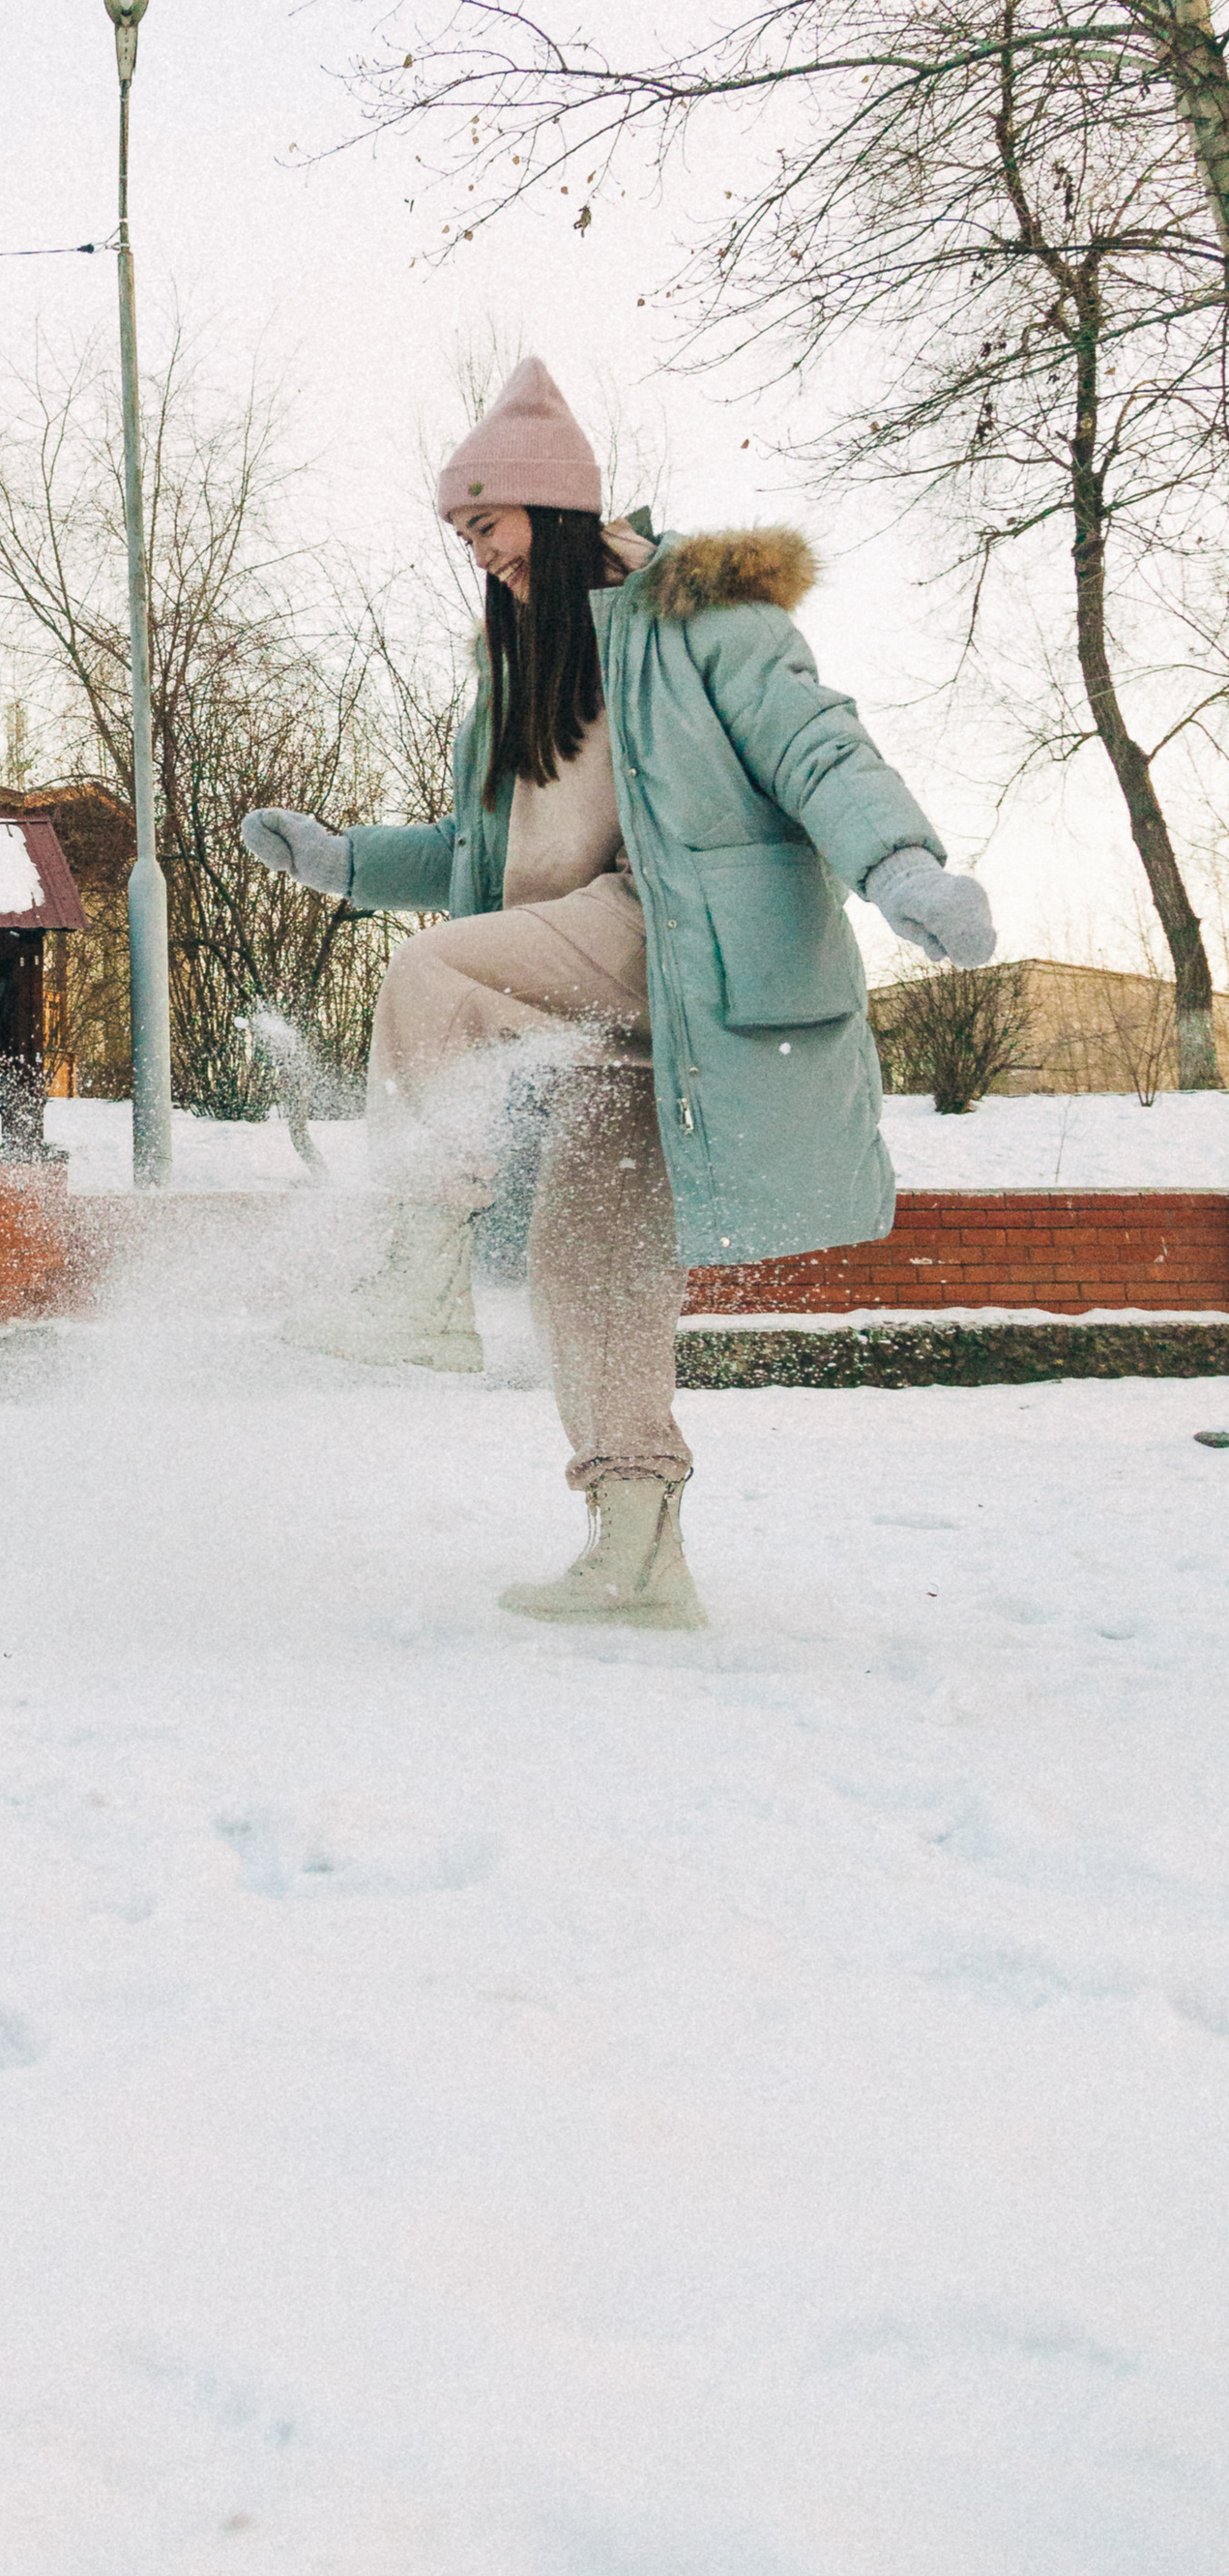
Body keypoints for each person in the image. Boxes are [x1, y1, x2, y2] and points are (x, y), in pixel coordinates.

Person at [244, 357, 992, 1629]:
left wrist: (899, 862)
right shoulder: (525, 681)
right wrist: (345, 860)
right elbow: (477, 862)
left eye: (486, 523)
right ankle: (636, 1547)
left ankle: (416, 1272)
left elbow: (814, 739)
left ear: (553, 505)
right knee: (587, 1269)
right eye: (462, 534)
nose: (477, 552)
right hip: (606, 999)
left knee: (436, 975)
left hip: (677, 940)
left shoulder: (699, 611)